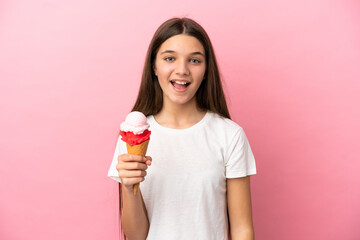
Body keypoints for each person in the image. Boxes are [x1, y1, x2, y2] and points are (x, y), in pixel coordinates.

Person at [108, 17, 257, 240]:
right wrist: (130, 188)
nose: (182, 69)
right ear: (154, 67)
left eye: (194, 61)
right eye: (169, 58)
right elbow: (136, 236)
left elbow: (242, 229)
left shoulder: (229, 135)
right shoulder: (133, 137)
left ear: (206, 70)